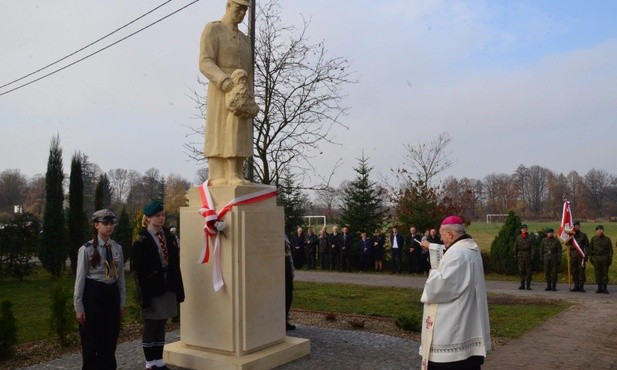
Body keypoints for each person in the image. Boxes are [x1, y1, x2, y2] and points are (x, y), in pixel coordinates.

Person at [419, 215, 490, 370]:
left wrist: (432, 273)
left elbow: (440, 288)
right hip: (467, 328)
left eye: (442, 236)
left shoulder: (457, 254)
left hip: (451, 334)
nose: (442, 240)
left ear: (450, 234)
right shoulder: (471, 249)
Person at [199, 0, 257, 185]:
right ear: (228, 5)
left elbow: (250, 70)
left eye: (245, 11)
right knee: (220, 132)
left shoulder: (246, 40)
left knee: (239, 132)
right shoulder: (213, 29)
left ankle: (236, 173)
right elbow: (205, 61)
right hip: (221, 89)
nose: (241, 13)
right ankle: (218, 175)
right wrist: (223, 80)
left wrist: (249, 95)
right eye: (238, 9)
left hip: (242, 91)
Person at [132, 201, 185, 370]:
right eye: (157, 216)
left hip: (167, 284)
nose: (161, 218)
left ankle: (159, 360)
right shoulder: (142, 239)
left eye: (163, 215)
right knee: (151, 323)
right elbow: (138, 270)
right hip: (152, 286)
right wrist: (143, 294)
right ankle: (150, 362)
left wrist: (178, 287)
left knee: (162, 322)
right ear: (148, 218)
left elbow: (175, 263)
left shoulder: (168, 236)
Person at [74, 209, 126, 370]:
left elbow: (121, 277)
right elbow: (80, 279)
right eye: (105, 223)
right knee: (91, 342)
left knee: (110, 341)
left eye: (111, 223)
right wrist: (79, 307)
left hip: (111, 296)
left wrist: (121, 302)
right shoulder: (87, 249)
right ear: (96, 225)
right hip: (94, 296)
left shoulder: (117, 248)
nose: (109, 227)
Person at [588, 225, 613, 294]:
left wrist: (610, 259)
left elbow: (610, 251)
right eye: (598, 230)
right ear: (596, 231)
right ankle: (599, 288)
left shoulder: (607, 239)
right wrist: (591, 258)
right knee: (597, 273)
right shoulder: (593, 239)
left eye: (601, 230)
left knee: (605, 274)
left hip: (605, 259)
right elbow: (590, 250)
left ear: (603, 230)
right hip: (596, 259)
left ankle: (605, 288)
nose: (599, 231)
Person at [566, 221, 589, 292]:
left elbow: (587, 246)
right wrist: (568, 238)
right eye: (574, 226)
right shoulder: (571, 236)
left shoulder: (583, 235)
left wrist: (586, 255)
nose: (576, 227)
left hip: (581, 257)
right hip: (573, 257)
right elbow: (567, 244)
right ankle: (576, 286)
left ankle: (581, 286)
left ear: (579, 227)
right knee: (574, 271)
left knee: (581, 271)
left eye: (577, 226)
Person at [514, 224, 534, 290]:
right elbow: (515, 247)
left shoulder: (530, 238)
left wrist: (532, 256)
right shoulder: (518, 238)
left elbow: (532, 248)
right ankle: (522, 284)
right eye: (523, 229)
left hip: (528, 255)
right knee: (521, 271)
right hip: (520, 256)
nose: (524, 230)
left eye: (525, 229)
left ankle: (528, 285)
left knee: (528, 271)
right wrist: (515, 255)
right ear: (521, 230)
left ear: (527, 229)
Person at [284, 235, 296, 330]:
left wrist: (292, 270)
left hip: (287, 264)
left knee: (288, 295)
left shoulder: (285, 236)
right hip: (279, 266)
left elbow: (289, 254)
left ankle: (285, 321)